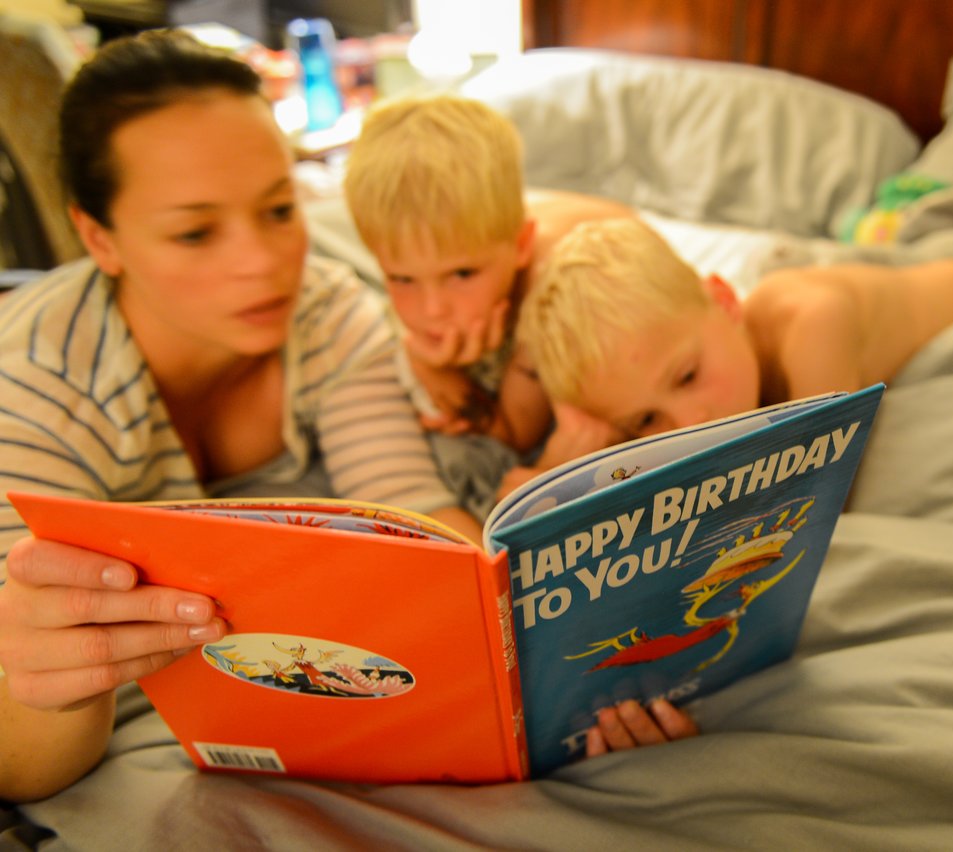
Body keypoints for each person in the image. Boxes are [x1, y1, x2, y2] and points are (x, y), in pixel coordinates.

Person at [0, 32, 679, 804]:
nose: (262, 261)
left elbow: (417, 515)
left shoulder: (329, 317)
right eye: (195, 232)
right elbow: (21, 757)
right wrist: (59, 678)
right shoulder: (36, 402)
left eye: (279, 209)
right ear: (99, 238)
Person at [342, 94, 634, 505]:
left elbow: (516, 434)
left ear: (521, 245)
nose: (432, 308)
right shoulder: (442, 267)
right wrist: (429, 363)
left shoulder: (551, 288)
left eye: (461, 274)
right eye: (402, 278)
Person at [519, 217, 953, 441]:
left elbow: (818, 495)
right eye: (645, 421)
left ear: (724, 300)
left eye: (686, 376)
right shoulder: (687, 367)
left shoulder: (811, 327)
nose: (690, 425)